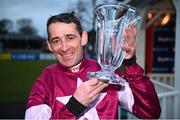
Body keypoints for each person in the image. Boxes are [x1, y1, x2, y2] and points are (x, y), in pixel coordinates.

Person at [25, 12, 161, 119]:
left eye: (70, 38)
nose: (64, 47)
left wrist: (129, 62)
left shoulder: (106, 72)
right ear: (49, 45)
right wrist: (74, 106)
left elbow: (150, 112)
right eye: (56, 41)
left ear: (83, 38)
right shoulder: (44, 81)